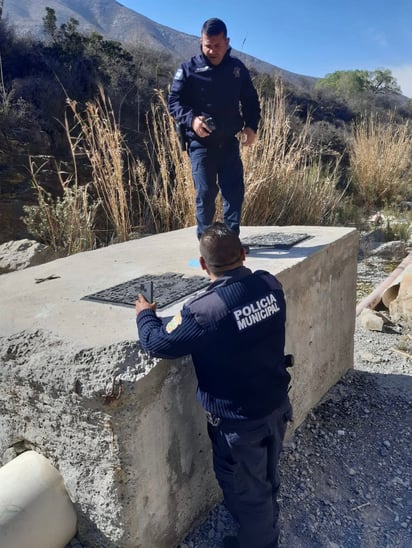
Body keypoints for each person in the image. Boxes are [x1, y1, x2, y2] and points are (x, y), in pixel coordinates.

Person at [135, 222, 292, 548]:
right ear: (245, 255)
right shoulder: (269, 284)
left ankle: (262, 542)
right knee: (265, 476)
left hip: (239, 423)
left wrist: (145, 315)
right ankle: (265, 525)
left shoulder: (206, 312)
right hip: (275, 405)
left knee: (245, 490)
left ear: (204, 264)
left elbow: (157, 343)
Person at [168, 18, 261, 242]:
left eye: (217, 45)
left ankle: (231, 243)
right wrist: (192, 120)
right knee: (206, 193)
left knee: (234, 193)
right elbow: (173, 102)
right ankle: (206, 245)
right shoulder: (188, 69)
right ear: (201, 41)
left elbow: (250, 99)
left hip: (229, 142)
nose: (212, 50)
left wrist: (251, 126)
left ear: (227, 42)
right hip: (201, 145)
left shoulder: (237, 69)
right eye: (207, 45)